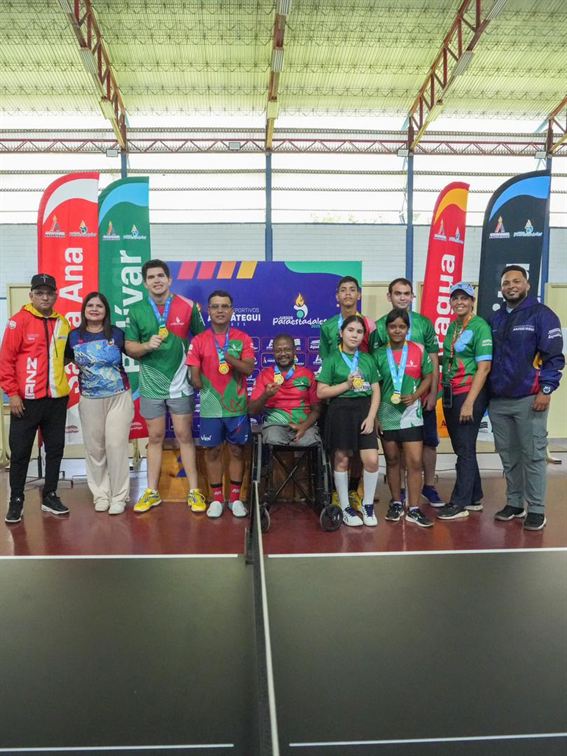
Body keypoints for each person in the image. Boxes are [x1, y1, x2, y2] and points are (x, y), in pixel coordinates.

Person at [125, 259, 206, 514]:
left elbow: (202, 340)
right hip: (151, 385)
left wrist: (195, 370)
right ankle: (152, 492)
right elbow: (129, 347)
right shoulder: (136, 310)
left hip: (180, 383)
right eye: (151, 277)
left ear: (169, 279)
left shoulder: (188, 306)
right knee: (155, 437)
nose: (157, 280)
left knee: (184, 435)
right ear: (145, 283)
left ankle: (194, 491)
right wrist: (146, 346)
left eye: (161, 276)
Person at [489, 265, 564, 531]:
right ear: (501, 288)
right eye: (506, 283)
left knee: (533, 455)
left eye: (516, 281)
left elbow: (554, 357)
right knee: (509, 456)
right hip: (498, 400)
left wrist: (546, 390)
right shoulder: (495, 319)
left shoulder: (542, 315)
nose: (511, 286)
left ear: (527, 285)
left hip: (530, 399)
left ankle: (536, 509)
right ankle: (514, 503)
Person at [0, 274, 71, 523]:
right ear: (31, 295)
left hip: (56, 400)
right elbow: (5, 361)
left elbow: (66, 356)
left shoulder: (63, 322)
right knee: (20, 453)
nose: (45, 297)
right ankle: (16, 500)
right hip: (25, 401)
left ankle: (50, 495)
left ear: (56, 296)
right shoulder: (18, 321)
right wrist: (12, 393)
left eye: (49, 293)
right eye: (39, 293)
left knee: (55, 450)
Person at [370, 277, 443, 507]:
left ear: (412, 296)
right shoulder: (379, 327)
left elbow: (433, 360)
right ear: (389, 296)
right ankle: (398, 494)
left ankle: (428, 487)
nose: (402, 297)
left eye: (406, 293)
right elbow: (375, 369)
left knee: (427, 443)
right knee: (394, 454)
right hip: (388, 405)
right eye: (397, 293)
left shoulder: (423, 324)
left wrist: (432, 393)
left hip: (418, 401)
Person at [186, 290, 255, 519]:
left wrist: (229, 358)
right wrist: (196, 378)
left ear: (232, 310)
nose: (220, 310)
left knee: (236, 450)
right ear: (208, 311)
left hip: (236, 407)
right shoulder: (199, 340)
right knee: (212, 451)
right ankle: (216, 499)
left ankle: (235, 499)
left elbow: (248, 368)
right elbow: (194, 377)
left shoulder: (242, 338)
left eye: (225, 306)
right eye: (215, 306)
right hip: (210, 407)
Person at [66, 292, 134, 515]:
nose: (94, 309)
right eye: (90, 305)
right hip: (90, 399)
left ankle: (119, 497)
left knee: (116, 446)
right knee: (95, 449)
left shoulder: (117, 334)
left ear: (106, 311)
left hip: (119, 397)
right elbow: (63, 359)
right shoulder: (73, 336)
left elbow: (136, 352)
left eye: (99, 306)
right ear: (84, 310)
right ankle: (101, 495)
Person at [316, 315, 380, 527]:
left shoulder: (368, 359)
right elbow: (321, 392)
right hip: (340, 411)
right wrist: (346, 385)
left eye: (359, 332)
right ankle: (345, 507)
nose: (355, 335)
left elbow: (376, 390)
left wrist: (371, 417)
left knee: (371, 460)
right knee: (342, 459)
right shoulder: (332, 359)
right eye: (350, 330)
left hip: (364, 411)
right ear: (341, 333)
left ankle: (367, 505)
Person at [437, 283, 492, 521]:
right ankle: (474, 496)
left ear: (472, 301)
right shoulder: (454, 326)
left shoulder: (480, 327)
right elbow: (451, 357)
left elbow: (484, 367)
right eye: (455, 298)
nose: (459, 302)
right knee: (463, 446)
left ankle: (459, 503)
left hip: (469, 393)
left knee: (465, 449)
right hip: (451, 392)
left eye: (465, 298)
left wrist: (470, 402)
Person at [319, 275, 375, 508]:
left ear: (359, 294)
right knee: (341, 450)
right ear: (337, 296)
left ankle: (355, 490)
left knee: (363, 450)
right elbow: (326, 360)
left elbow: (372, 357)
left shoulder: (369, 325)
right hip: (338, 397)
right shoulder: (328, 326)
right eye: (343, 290)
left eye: (353, 289)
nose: (348, 293)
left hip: (363, 396)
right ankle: (338, 494)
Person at [374, 309, 434, 528]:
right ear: (386, 329)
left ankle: (414, 508)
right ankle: (397, 503)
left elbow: (429, 376)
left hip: (411, 414)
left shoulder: (418, 350)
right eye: (393, 327)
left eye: (401, 327)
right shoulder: (379, 354)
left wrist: (416, 396)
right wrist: (376, 416)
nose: (397, 330)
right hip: (386, 412)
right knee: (392, 460)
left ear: (407, 329)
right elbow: (375, 387)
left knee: (415, 462)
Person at [248, 333, 320, 446]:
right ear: (273, 352)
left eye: (287, 349)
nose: (283, 354)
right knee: (273, 440)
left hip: (304, 425)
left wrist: (303, 427)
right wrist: (266, 395)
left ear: (294, 351)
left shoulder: (307, 374)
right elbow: (252, 410)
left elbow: (317, 409)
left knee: (310, 441)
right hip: (275, 425)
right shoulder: (264, 375)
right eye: (278, 350)